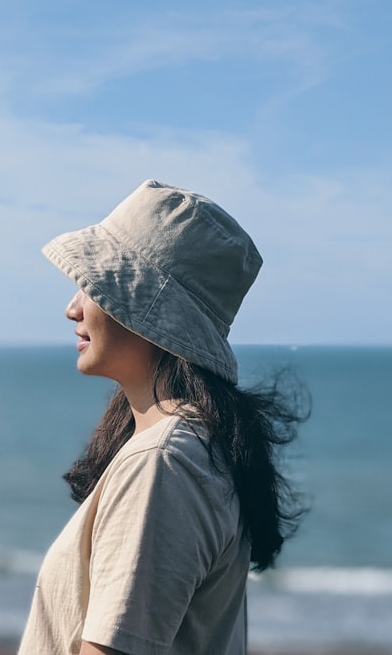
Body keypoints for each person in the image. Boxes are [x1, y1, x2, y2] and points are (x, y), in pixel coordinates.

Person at [18, 180, 307, 655]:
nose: (72, 308)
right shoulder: (193, 447)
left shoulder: (164, 463)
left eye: (90, 286)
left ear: (143, 308)